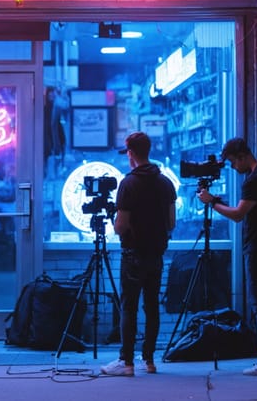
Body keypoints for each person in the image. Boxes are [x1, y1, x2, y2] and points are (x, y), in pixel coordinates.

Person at [197, 137, 257, 376]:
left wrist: (212, 203)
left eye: (231, 161)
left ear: (241, 156)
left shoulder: (255, 179)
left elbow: (238, 214)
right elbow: (248, 209)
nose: (231, 167)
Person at [101, 132, 177, 376]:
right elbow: (172, 222)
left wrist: (116, 220)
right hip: (156, 254)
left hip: (133, 254)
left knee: (129, 308)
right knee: (152, 307)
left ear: (131, 153)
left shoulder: (128, 183)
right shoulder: (165, 183)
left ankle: (127, 363)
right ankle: (149, 360)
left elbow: (120, 226)